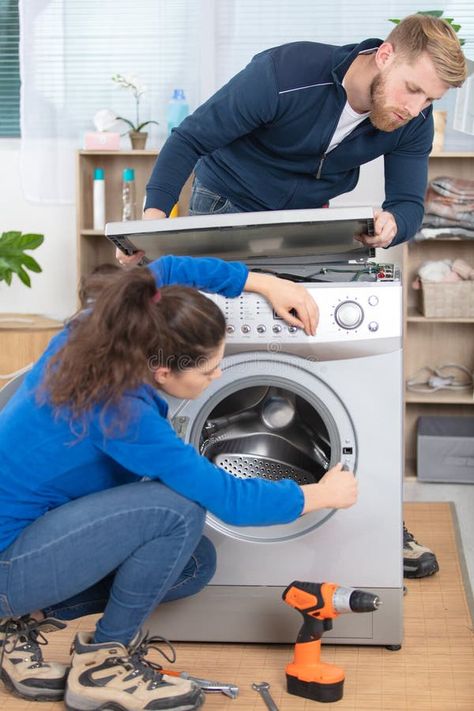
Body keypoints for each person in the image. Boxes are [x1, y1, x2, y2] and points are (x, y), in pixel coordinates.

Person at [127, 12, 458, 579]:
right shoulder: (286, 72)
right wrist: (155, 219)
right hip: (225, 210)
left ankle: (374, 519)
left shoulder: (410, 121)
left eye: (429, 100)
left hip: (307, 226)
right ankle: (174, 510)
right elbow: (192, 137)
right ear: (384, 55)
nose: (415, 108)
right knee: (211, 356)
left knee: (317, 359)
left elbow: (409, 202)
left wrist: (392, 225)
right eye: (413, 89)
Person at [0, 255, 357, 711]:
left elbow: (165, 268)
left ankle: (16, 623)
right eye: (208, 371)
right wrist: (318, 495)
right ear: (163, 372)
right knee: (177, 507)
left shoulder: (102, 328)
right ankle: (101, 669)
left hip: (26, 535)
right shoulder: (123, 412)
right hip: (7, 562)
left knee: (194, 563)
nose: (218, 376)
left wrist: (264, 283)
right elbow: (227, 498)